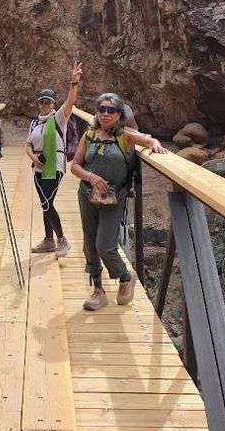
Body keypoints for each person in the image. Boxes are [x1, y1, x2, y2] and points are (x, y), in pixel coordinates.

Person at [70, 92, 167, 311]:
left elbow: (148, 139)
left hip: (114, 199)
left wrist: (155, 143)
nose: (105, 114)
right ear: (96, 112)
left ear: (118, 115)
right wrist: (91, 177)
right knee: (89, 243)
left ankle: (125, 276)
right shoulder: (89, 135)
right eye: (101, 109)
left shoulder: (125, 136)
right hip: (87, 195)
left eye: (110, 110)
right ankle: (98, 290)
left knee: (104, 245)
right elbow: (75, 166)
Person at [25, 62, 83, 257]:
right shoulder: (34, 122)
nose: (45, 105)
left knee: (47, 202)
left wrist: (73, 83)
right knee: (44, 202)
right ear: (38, 103)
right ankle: (49, 241)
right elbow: (28, 145)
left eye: (48, 102)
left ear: (53, 105)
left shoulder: (58, 118)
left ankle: (62, 240)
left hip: (55, 165)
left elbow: (70, 103)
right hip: (38, 166)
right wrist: (33, 157)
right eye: (42, 102)